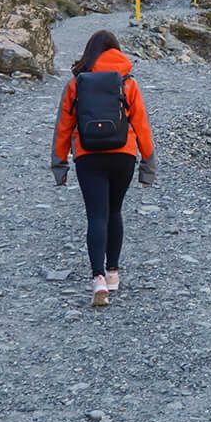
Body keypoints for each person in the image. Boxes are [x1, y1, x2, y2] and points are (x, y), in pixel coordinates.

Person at [52, 30, 156, 308]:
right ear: (117, 51)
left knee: (96, 215)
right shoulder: (128, 81)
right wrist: (148, 163)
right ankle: (113, 273)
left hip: (88, 155)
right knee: (115, 211)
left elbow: (63, 126)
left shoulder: (77, 83)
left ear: (90, 52)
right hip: (123, 154)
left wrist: (59, 164)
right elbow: (141, 124)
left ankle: (97, 278)